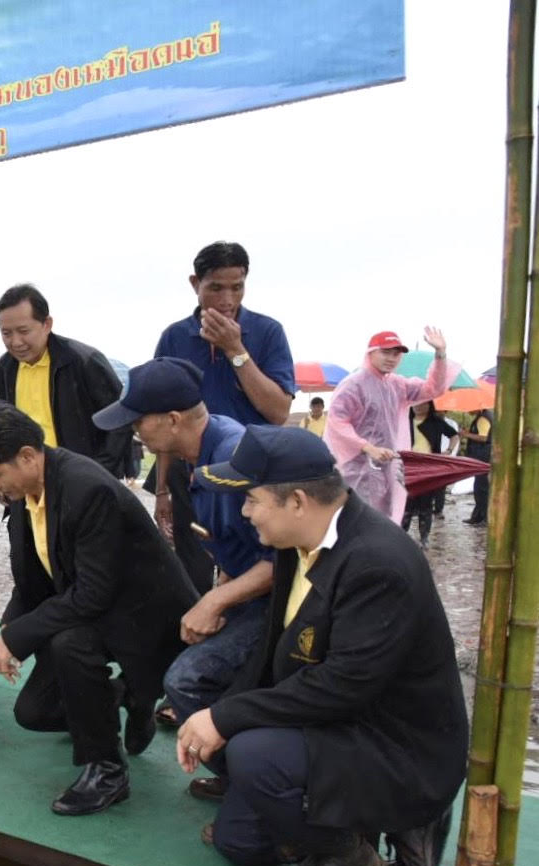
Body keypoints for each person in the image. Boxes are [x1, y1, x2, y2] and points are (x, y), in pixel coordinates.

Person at [179, 425, 465, 866]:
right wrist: (221, 711)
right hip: (340, 720)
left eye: (251, 500)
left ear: (295, 501)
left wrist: (226, 718)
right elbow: (275, 654)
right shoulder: (298, 544)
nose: (244, 513)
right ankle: (340, 818)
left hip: (397, 744)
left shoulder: (378, 563)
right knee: (240, 844)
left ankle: (359, 853)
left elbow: (342, 687)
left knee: (252, 752)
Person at [0, 402, 195, 815]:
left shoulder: (86, 489)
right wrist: (13, 621)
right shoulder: (25, 487)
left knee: (70, 644)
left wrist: (18, 638)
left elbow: (92, 594)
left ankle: (107, 770)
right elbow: (37, 572)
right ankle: (121, 696)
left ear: (27, 456)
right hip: (94, 605)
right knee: (34, 713)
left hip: (140, 617)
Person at [93, 358, 274, 798]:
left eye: (138, 422)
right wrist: (220, 596)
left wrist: (215, 603)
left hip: (284, 595)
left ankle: (249, 784)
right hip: (252, 590)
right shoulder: (197, 455)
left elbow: (281, 560)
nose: (135, 432)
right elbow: (234, 542)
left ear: (172, 420)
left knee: (185, 680)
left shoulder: (233, 456)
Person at [150, 242, 296, 594]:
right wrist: (162, 490)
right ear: (195, 284)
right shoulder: (174, 338)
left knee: (256, 574)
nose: (227, 299)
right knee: (191, 577)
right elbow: (164, 424)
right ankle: (198, 638)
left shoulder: (267, 333)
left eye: (237, 287)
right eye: (216, 287)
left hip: (252, 480)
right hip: (192, 480)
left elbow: (277, 412)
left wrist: (236, 350)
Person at [0, 283, 129, 478]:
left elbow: (120, 421)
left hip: (79, 480)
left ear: (47, 324)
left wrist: (97, 474)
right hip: (25, 483)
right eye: (6, 333)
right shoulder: (4, 369)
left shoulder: (84, 361)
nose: (16, 342)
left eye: (24, 331)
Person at [323, 328, 454, 522]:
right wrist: (368, 448)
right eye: (385, 352)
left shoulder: (397, 385)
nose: (391, 358)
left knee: (385, 520)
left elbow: (433, 388)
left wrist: (440, 354)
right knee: (356, 520)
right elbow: (337, 422)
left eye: (396, 354)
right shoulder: (353, 384)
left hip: (387, 466)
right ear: (371, 353)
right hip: (356, 468)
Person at [401, 401, 460, 548]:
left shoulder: (436, 422)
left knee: (426, 505)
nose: (418, 407)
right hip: (408, 465)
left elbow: (454, 436)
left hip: (428, 466)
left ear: (429, 406)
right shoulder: (404, 421)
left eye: (422, 404)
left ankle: (424, 538)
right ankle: (402, 535)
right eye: (415, 404)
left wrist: (448, 451)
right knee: (406, 504)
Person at [459, 407, 493, 524]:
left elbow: (483, 437)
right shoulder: (484, 416)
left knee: (482, 488)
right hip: (483, 455)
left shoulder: (483, 418)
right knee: (479, 486)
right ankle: (478, 515)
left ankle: (483, 517)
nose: (468, 410)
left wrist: (466, 434)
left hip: (483, 455)